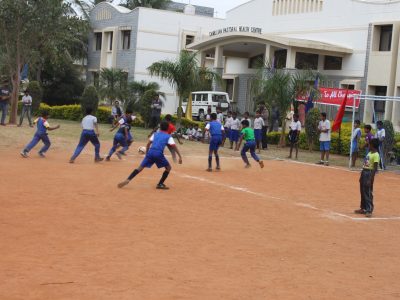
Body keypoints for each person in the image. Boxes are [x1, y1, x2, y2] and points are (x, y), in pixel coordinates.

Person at [118, 121, 183, 190]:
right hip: (158, 153)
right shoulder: (168, 136)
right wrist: (180, 156)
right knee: (168, 168)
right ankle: (160, 184)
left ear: (160, 128)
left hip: (150, 152)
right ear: (167, 129)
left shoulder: (155, 134)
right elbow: (174, 147)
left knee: (139, 168)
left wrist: (147, 154)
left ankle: (128, 179)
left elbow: (148, 144)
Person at [354, 138, 380, 218]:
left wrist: (370, 179)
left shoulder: (376, 155)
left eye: (369, 144)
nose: (368, 145)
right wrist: (362, 175)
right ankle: (363, 208)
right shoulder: (369, 153)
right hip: (364, 172)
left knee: (368, 192)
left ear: (373, 145)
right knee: (362, 191)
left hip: (369, 173)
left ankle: (369, 209)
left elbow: (375, 168)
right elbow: (366, 164)